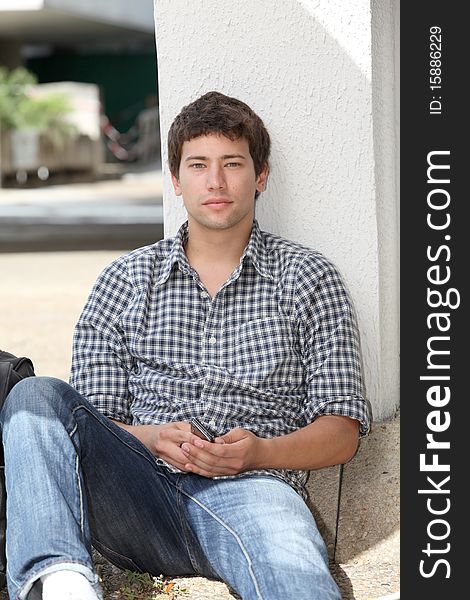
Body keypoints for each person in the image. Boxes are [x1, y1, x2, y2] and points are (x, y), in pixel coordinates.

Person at [0, 91, 371, 600]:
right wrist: (150, 438)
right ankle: (61, 583)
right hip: (135, 494)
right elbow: (88, 423)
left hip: (256, 492)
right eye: (198, 165)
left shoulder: (309, 278)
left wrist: (258, 453)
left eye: (232, 164)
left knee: (298, 581)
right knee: (35, 396)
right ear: (176, 180)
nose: (215, 181)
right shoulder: (126, 279)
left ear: (260, 176)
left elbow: (342, 431)